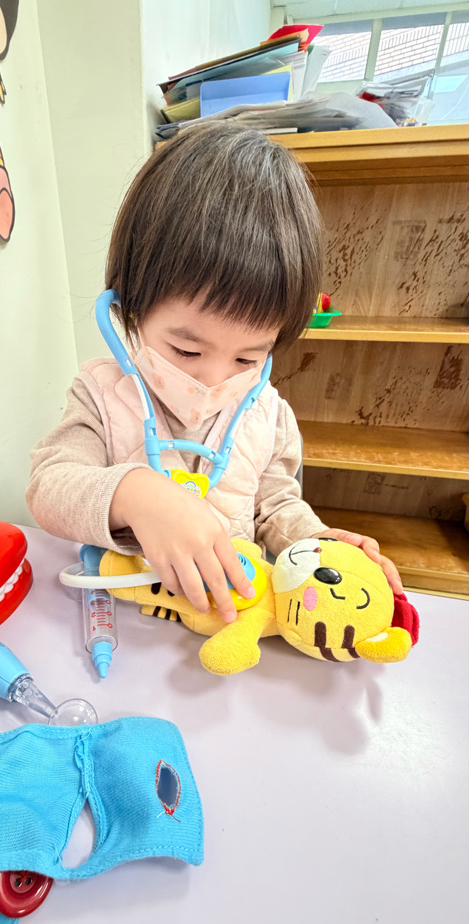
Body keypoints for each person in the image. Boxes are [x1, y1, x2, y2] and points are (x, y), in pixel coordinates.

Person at [27, 122, 402, 626]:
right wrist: (135, 494)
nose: (213, 379)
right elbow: (50, 486)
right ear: (130, 310)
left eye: (247, 359)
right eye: (186, 349)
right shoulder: (102, 394)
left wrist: (314, 541)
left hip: (224, 625)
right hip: (125, 621)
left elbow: (274, 507)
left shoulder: (267, 415)